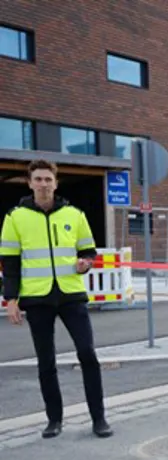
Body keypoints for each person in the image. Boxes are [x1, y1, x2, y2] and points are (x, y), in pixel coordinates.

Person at [0, 159, 112, 439]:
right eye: (38, 179)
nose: (43, 184)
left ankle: (99, 419)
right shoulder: (15, 217)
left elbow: (88, 251)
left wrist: (86, 262)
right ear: (29, 183)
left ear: (56, 183)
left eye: (48, 179)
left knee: (87, 353)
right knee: (45, 361)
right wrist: (10, 299)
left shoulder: (74, 215)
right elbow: (10, 263)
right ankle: (54, 420)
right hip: (37, 298)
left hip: (71, 295)